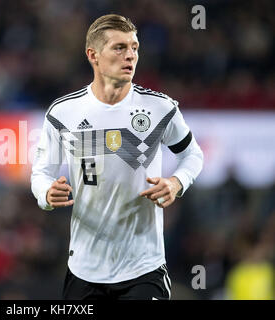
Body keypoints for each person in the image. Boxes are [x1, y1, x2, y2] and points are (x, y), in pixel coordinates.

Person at [31, 14, 203, 300]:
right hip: (84, 268)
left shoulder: (160, 108)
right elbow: (40, 172)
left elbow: (192, 154)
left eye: (134, 47)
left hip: (143, 268)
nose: (131, 56)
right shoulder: (63, 113)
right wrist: (46, 195)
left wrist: (176, 182)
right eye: (119, 47)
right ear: (93, 55)